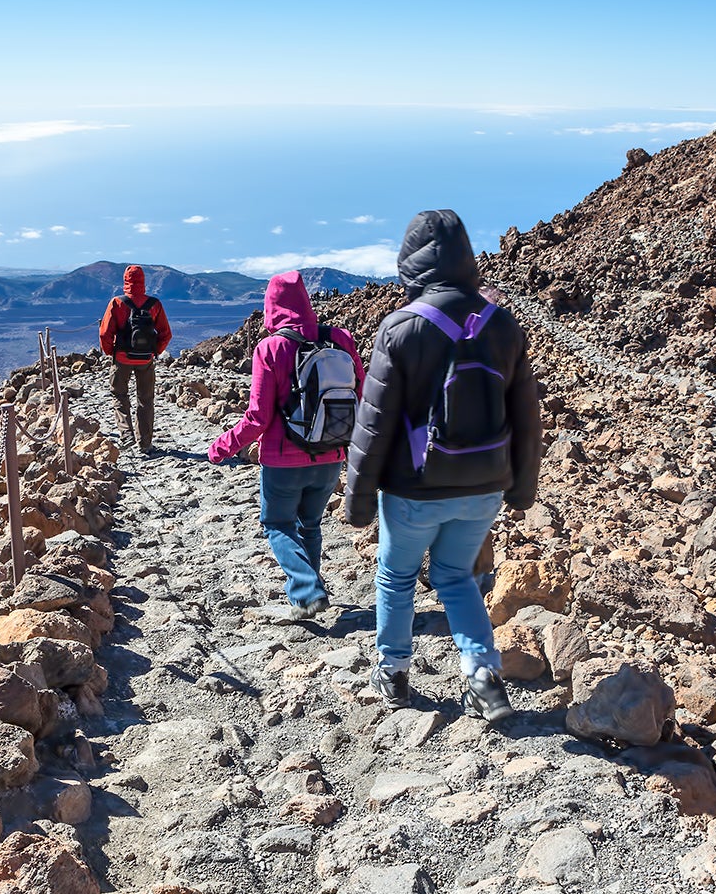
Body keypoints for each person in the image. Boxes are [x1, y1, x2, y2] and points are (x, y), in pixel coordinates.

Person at [344, 210, 542, 722]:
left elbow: (374, 425)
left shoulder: (400, 328)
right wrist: (522, 488)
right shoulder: (503, 325)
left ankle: (392, 673)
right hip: (484, 485)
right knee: (456, 577)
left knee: (396, 577)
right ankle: (482, 674)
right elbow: (526, 416)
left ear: (410, 264)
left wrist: (359, 498)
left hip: (415, 488)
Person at [208, 271, 365, 618]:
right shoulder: (339, 338)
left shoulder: (271, 348)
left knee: (278, 524)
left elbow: (257, 418)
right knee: (310, 524)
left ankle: (307, 590)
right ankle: (304, 596)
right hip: (331, 453)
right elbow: (362, 392)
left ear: (271, 306)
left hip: (283, 461)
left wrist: (222, 447)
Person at [99, 264, 172, 454]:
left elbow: (105, 333)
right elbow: (166, 334)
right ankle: (145, 443)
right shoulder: (154, 304)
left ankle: (126, 434)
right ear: (143, 281)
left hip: (122, 358)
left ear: (125, 281)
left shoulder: (117, 303)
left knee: (119, 395)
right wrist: (154, 351)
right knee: (146, 400)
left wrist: (111, 353)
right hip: (145, 360)